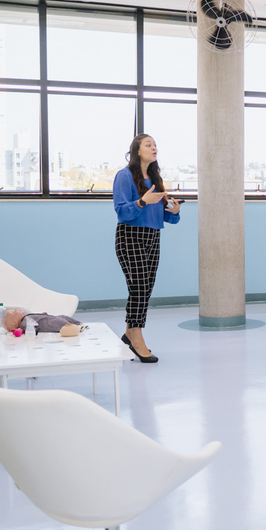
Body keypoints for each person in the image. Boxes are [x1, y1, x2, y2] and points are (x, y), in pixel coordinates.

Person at [112, 133, 181, 364]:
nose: (154, 148)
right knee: (139, 287)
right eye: (148, 145)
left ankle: (129, 332)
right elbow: (122, 211)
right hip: (130, 236)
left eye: (155, 145)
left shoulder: (155, 179)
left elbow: (163, 216)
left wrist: (174, 212)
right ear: (137, 150)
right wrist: (142, 201)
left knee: (145, 288)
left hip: (153, 236)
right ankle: (136, 339)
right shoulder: (124, 176)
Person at [1, 309, 80, 334]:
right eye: (14, 312)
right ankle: (76, 327)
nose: (16, 310)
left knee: (63, 317)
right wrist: (22, 330)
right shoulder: (24, 323)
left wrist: (42, 314)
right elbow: (32, 331)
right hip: (49, 323)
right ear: (14, 322)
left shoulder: (26, 317)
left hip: (49, 317)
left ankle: (79, 323)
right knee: (62, 323)